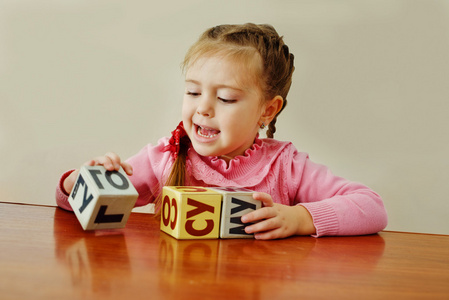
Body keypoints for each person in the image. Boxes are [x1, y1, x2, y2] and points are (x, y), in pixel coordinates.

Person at [56, 23, 388, 239]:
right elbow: (72, 203)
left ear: (267, 110)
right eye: (193, 92)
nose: (203, 108)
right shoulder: (163, 158)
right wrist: (80, 181)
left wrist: (301, 218)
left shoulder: (286, 166)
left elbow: (372, 207)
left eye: (226, 97)